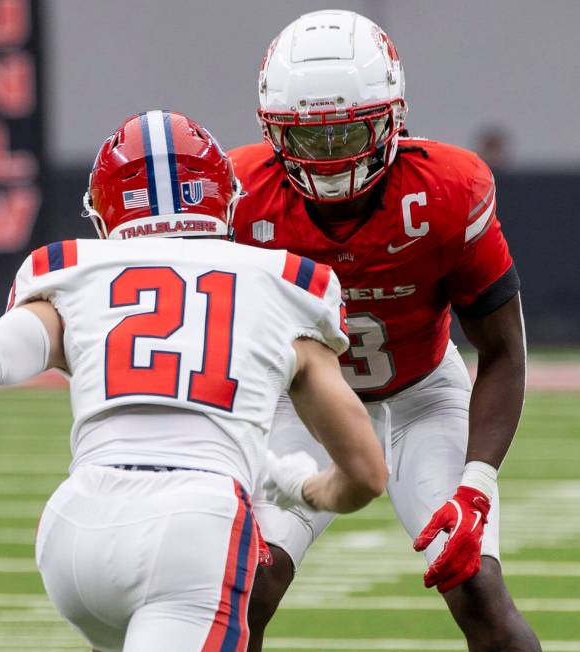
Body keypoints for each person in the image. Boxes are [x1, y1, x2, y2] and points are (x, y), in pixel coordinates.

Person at [0, 110, 387, 652]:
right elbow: (365, 473)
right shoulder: (286, 283)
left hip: (73, 532)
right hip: (196, 526)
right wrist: (302, 488)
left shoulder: (73, 272)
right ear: (224, 199)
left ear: (105, 214)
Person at [228, 10, 541, 652]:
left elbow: (504, 352)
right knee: (243, 590)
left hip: (424, 398)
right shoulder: (240, 196)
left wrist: (476, 487)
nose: (331, 158)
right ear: (273, 132)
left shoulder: (449, 191)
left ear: (394, 117)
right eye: (310, 139)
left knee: (476, 584)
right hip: (305, 409)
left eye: (349, 133)